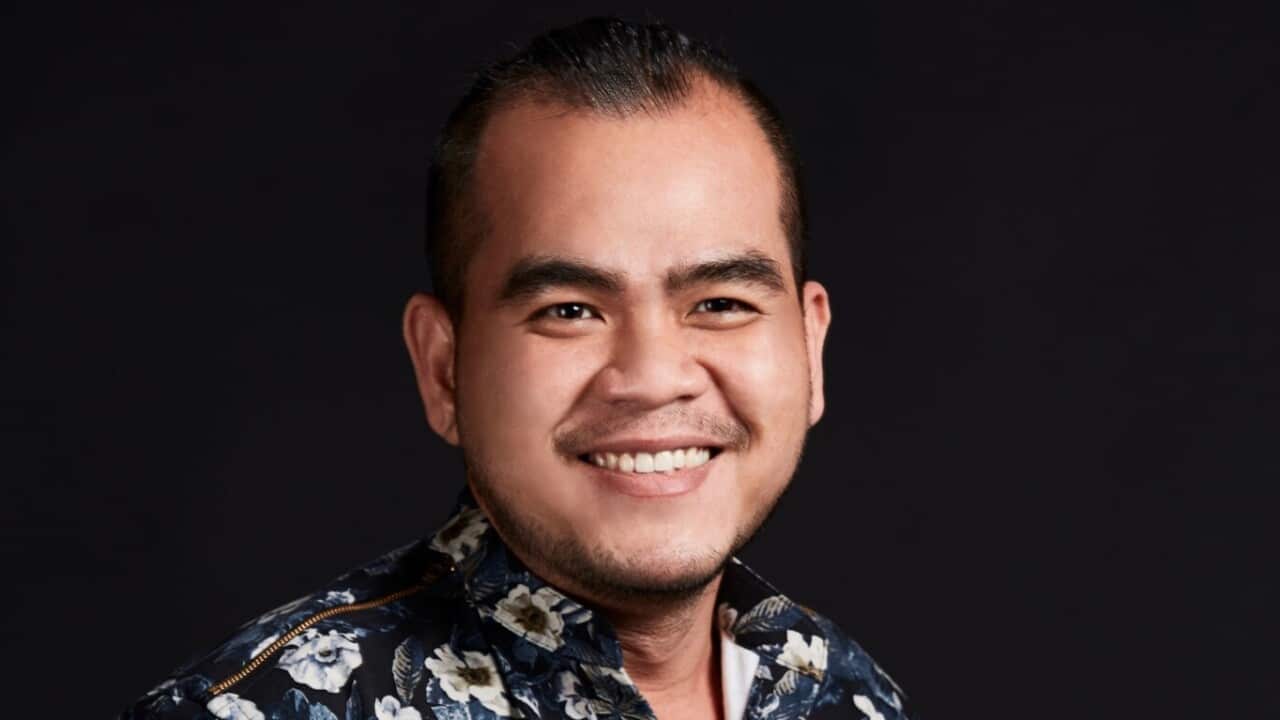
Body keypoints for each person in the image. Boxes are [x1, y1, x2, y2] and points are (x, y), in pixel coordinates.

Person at [121, 16, 911, 720]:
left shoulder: (848, 693)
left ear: (809, 347)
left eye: (721, 303)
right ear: (443, 368)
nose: (652, 376)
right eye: (569, 310)